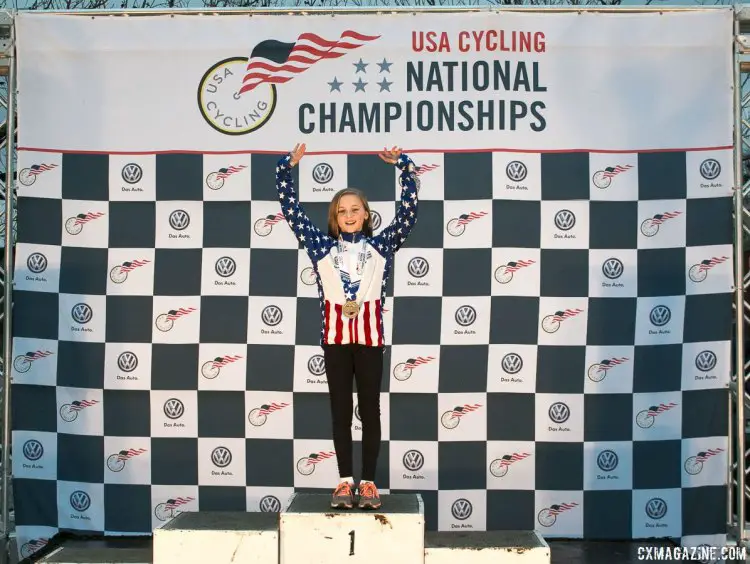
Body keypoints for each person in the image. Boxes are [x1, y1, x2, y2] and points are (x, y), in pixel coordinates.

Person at [275, 143, 420, 510]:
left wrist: (404, 165)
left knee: (369, 410)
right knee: (340, 409)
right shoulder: (320, 245)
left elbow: (408, 213)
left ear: (367, 214)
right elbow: (291, 211)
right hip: (335, 341)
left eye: (355, 209)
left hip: (370, 340)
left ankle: (369, 483)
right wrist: (285, 169)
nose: (349, 214)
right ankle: (343, 482)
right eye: (342, 211)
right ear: (334, 217)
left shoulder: (382, 245)